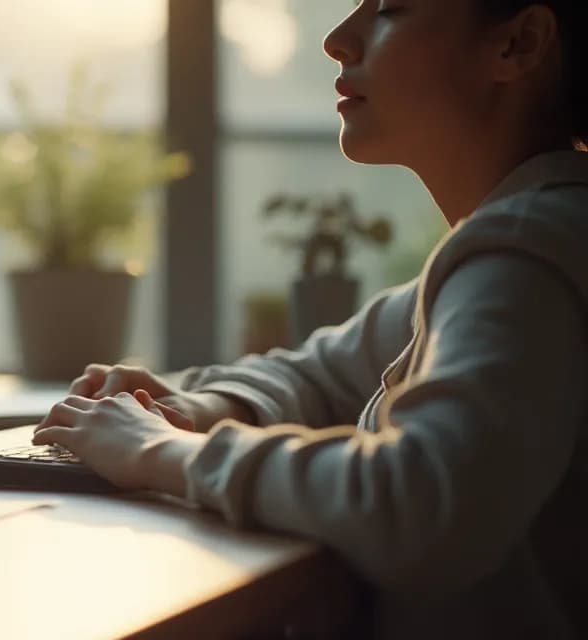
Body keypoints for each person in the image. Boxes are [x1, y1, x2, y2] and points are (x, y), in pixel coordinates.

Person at [32, 1, 588, 637]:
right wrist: (200, 405)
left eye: (389, 10)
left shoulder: (526, 254)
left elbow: (422, 505)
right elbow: (321, 376)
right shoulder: (527, 240)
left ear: (517, 43)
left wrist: (162, 450)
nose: (337, 40)